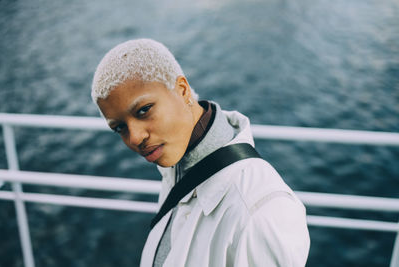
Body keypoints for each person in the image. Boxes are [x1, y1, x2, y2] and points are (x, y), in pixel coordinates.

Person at [91, 38, 310, 267]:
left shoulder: (261, 212)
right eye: (119, 128)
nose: (135, 138)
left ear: (183, 90)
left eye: (144, 110)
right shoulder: (176, 160)